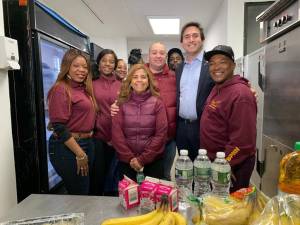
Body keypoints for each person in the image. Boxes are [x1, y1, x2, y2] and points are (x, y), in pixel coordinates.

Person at [111, 42, 177, 181]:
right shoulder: (121, 103)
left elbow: (160, 133)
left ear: (149, 80)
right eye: (135, 77)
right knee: (128, 199)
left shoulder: (158, 101)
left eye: (143, 77)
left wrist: (143, 159)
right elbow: (117, 134)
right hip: (126, 161)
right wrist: (130, 158)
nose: (139, 80)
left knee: (154, 197)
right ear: (129, 81)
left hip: (154, 158)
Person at [201, 45, 257, 192]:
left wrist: (225, 163)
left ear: (233, 65)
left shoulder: (240, 95)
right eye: (212, 63)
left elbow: (243, 141)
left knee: (232, 211)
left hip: (233, 165)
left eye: (222, 62)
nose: (216, 67)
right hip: (218, 162)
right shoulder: (218, 87)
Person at [47, 49, 98, 195]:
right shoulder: (61, 89)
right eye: (76, 66)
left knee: (85, 190)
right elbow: (59, 127)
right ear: (66, 66)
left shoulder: (84, 89)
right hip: (69, 147)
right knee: (80, 194)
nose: (81, 70)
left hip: (87, 142)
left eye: (85, 67)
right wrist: (80, 154)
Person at [175, 22, 214, 161]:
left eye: (195, 36)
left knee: (204, 171)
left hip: (203, 128)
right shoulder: (179, 68)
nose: (191, 40)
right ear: (182, 42)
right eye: (187, 37)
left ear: (202, 39)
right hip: (181, 128)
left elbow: (227, 84)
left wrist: (247, 87)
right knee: (185, 171)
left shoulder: (211, 64)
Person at [91, 49, 121, 196]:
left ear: (115, 64)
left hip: (119, 139)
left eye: (111, 61)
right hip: (98, 138)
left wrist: (115, 137)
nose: (107, 64)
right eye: (104, 61)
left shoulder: (122, 84)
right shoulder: (91, 84)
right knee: (99, 177)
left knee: (115, 180)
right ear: (98, 63)